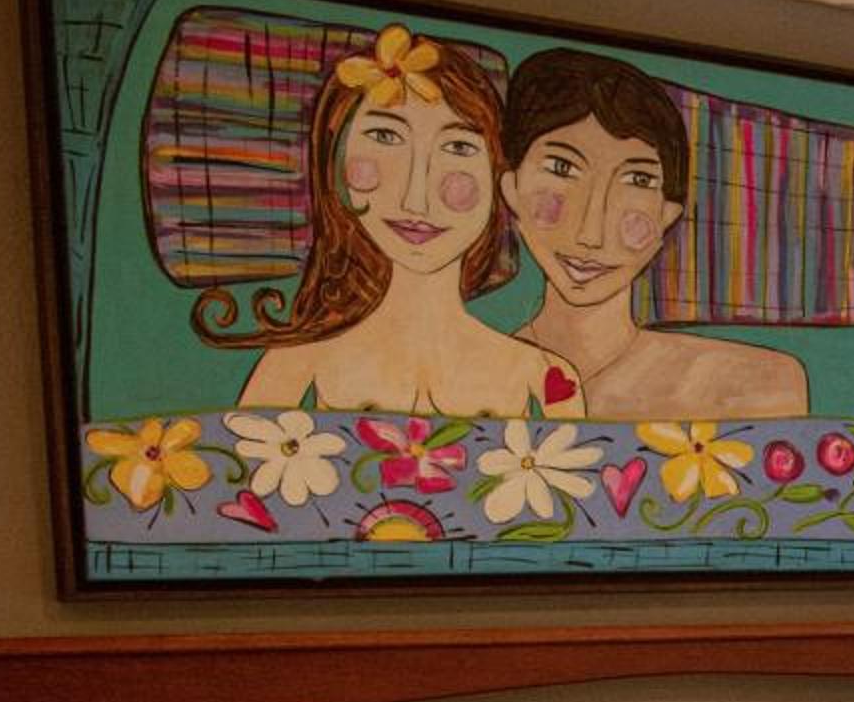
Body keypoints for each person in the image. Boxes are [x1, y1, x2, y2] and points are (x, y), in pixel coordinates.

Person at [203, 24, 585, 420]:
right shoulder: (299, 361)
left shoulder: (545, 378)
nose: (416, 199)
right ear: (334, 164)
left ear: (499, 178)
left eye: (458, 147)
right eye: (385, 136)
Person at [498, 48, 809, 420]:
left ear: (667, 214)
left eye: (637, 180)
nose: (590, 234)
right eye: (562, 168)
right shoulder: (475, 380)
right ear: (511, 188)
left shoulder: (756, 384)